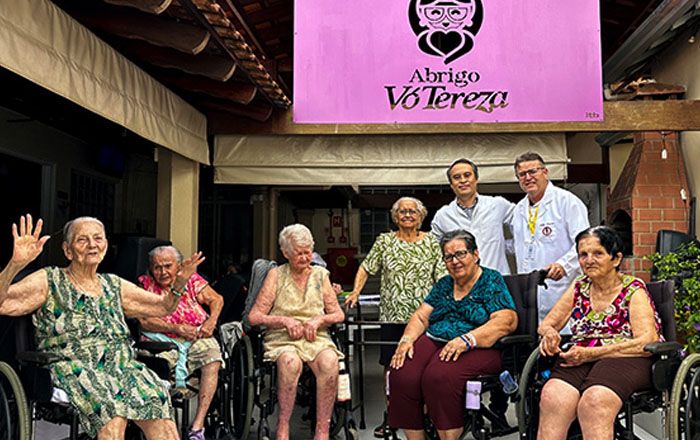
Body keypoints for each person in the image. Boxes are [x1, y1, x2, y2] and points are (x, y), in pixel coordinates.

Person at [0, 215, 204, 439]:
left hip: (122, 367)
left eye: (98, 238)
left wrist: (179, 284)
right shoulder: (50, 280)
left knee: (158, 402)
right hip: (75, 367)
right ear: (67, 250)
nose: (92, 245)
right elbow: (3, 304)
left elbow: (164, 306)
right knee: (112, 413)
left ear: (105, 246)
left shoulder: (113, 284)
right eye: (82, 240)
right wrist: (14, 265)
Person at [388, 230, 518, 440]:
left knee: (439, 376)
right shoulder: (444, 284)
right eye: (449, 257)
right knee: (402, 373)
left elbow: (507, 320)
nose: (455, 261)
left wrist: (468, 339)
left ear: (475, 254)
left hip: (479, 346)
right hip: (437, 339)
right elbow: (421, 316)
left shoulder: (490, 280)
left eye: (460, 254)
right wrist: (406, 340)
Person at [537, 226, 663, 439]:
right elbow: (547, 324)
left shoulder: (633, 289)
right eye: (583, 255)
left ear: (616, 259)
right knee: (553, 397)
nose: (589, 260)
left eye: (598, 253)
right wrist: (550, 333)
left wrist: (592, 353)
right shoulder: (580, 286)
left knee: (594, 402)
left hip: (626, 356)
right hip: (581, 356)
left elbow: (646, 341)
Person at [345, 196, 446, 437]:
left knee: (423, 367)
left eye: (412, 211)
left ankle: (423, 415)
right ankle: (393, 415)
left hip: (423, 318)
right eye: (402, 211)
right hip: (392, 317)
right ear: (395, 216)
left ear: (421, 216)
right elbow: (366, 267)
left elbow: (443, 277)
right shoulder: (385, 241)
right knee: (391, 367)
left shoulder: (432, 242)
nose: (408, 215)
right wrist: (356, 292)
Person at [247, 224, 345, 440]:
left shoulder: (321, 275)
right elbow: (254, 316)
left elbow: (338, 314)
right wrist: (284, 321)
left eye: (308, 252)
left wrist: (319, 320)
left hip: (315, 336)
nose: (305, 258)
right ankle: (283, 426)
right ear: (286, 253)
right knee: (291, 363)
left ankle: (322, 430)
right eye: (299, 253)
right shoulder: (276, 275)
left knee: (330, 361)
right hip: (282, 338)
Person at [138, 245, 224, 440]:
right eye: (157, 267)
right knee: (156, 366)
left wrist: (211, 321)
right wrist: (176, 328)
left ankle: (198, 426)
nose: (163, 272)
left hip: (196, 336)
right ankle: (163, 427)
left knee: (212, 357)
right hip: (160, 340)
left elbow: (216, 299)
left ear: (178, 266)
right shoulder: (145, 286)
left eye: (168, 266)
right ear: (151, 269)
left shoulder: (192, 280)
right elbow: (144, 321)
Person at [510, 152, 590, 321]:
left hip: (561, 288)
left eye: (533, 171)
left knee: (562, 332)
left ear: (545, 172)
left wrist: (563, 265)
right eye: (522, 174)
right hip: (530, 292)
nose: (528, 178)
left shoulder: (567, 202)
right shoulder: (519, 210)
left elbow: (584, 244)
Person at [431, 158, 515, 274]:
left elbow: (524, 225)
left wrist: (505, 246)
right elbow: (434, 251)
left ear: (476, 179)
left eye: (467, 175)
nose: (463, 180)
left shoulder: (497, 205)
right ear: (451, 184)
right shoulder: (443, 216)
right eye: (457, 177)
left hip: (497, 278)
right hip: (461, 281)